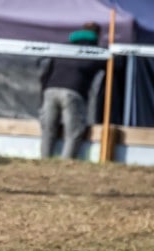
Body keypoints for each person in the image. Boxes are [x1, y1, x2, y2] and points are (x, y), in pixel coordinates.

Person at [39, 22, 106, 159]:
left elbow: (46, 72)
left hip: (50, 90)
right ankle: (66, 162)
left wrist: (44, 92)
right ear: (97, 35)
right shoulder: (95, 50)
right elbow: (114, 64)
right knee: (74, 131)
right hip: (73, 91)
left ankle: (44, 160)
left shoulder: (63, 47)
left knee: (48, 129)